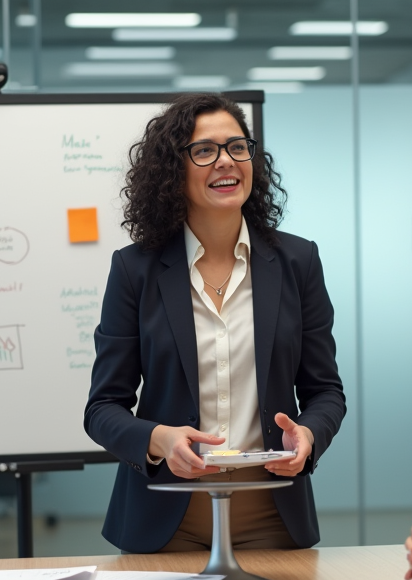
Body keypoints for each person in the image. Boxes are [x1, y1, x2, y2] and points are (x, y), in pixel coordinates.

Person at [84, 93, 346, 553]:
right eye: (204, 150)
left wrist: (307, 435)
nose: (226, 161)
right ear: (173, 171)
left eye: (237, 147)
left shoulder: (298, 261)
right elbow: (103, 408)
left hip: (272, 519)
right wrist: (159, 439)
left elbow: (325, 391)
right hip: (164, 520)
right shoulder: (135, 270)